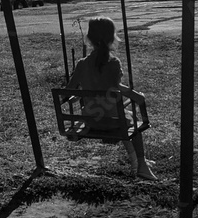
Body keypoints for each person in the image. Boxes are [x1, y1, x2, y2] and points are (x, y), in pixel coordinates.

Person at [64, 16, 157, 181]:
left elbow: (68, 91)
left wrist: (77, 95)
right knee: (129, 118)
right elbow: (116, 87)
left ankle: (136, 160)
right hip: (113, 122)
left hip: (91, 121)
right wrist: (137, 96)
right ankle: (141, 164)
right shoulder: (113, 63)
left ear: (89, 38)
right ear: (112, 38)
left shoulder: (82, 64)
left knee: (124, 115)